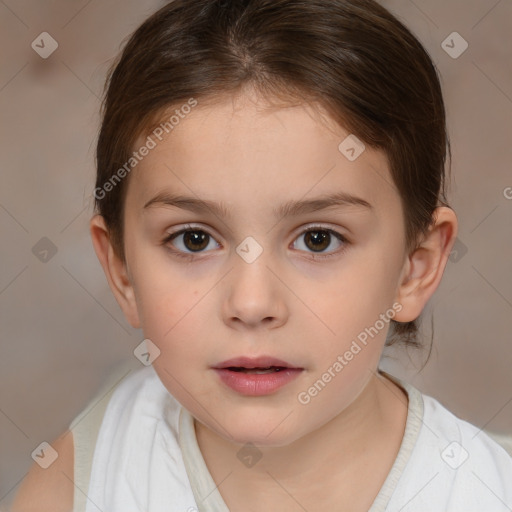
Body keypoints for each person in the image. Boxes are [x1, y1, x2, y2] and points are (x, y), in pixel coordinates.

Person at [12, 0, 512, 510]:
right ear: (122, 271)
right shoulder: (77, 486)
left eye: (319, 239)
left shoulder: (484, 491)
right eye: (194, 240)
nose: (252, 303)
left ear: (415, 267)